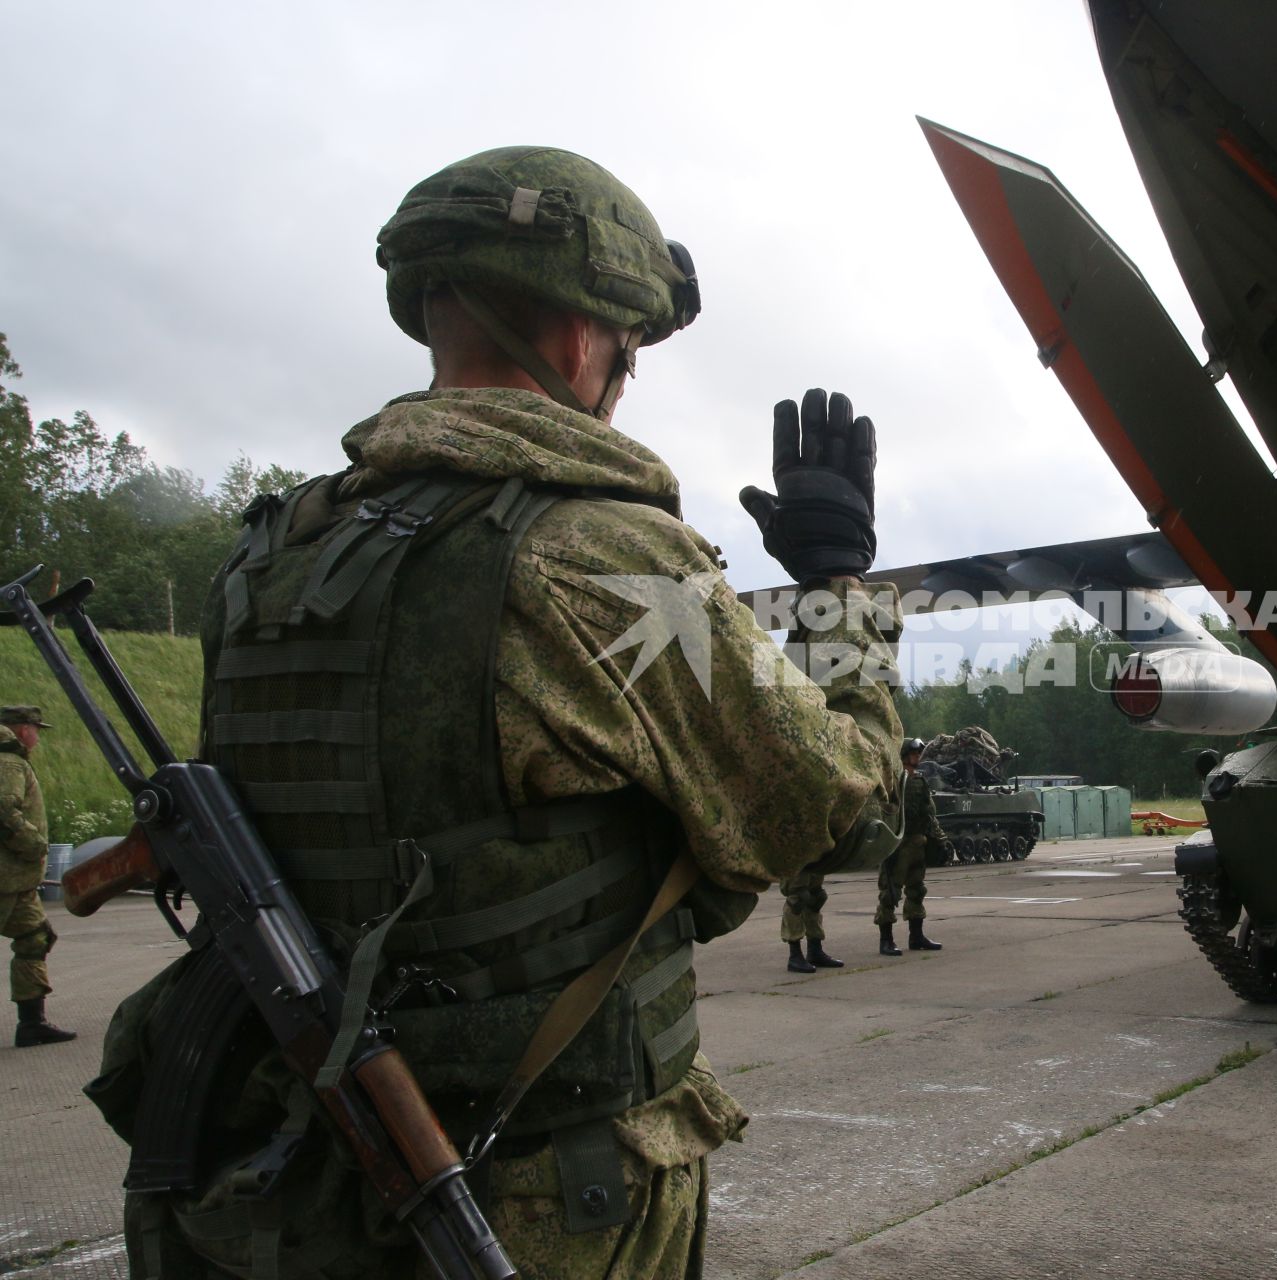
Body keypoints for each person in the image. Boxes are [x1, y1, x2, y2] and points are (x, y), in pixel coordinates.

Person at [89, 147, 900, 1279]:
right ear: (582, 337)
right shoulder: (603, 556)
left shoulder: (273, 553)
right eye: (627, 349)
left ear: (432, 308)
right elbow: (840, 814)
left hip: (296, 1180)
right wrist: (840, 591)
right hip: (537, 1191)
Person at [1, 705, 77, 1048]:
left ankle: (32, 1024)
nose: (37, 737)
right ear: (21, 729)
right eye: (35, 729)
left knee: (35, 939)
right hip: (6, 878)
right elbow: (3, 810)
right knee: (34, 940)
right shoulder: (8, 762)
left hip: (17, 882)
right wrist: (35, 844)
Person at [876, 738, 955, 955]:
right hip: (898, 844)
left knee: (916, 890)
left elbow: (929, 813)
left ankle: (916, 936)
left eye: (919, 754)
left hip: (917, 843)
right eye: (913, 754)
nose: (917, 757)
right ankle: (886, 940)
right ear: (904, 755)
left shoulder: (920, 780)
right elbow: (883, 810)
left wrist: (940, 838)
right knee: (890, 893)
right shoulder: (893, 780)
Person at [779, 870, 843, 972]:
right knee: (797, 898)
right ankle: (795, 956)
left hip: (814, 857)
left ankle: (815, 951)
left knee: (816, 896)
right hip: (796, 858)